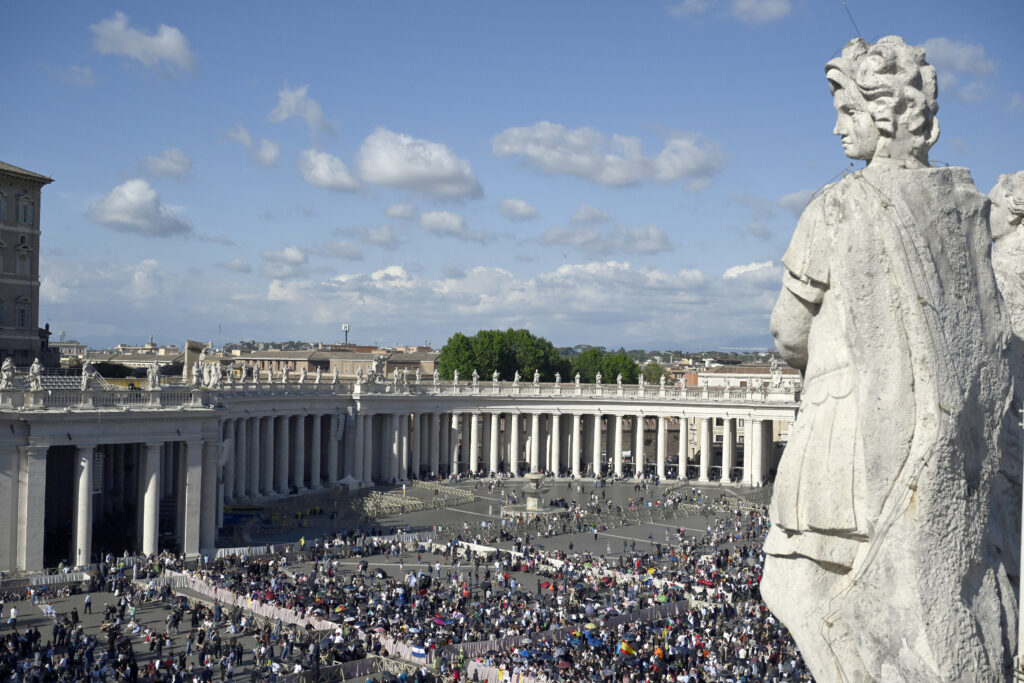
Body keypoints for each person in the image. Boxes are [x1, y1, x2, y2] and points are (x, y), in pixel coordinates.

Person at [761, 36, 1017, 680]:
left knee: (795, 587)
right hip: (953, 449)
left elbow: (787, 334)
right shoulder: (971, 209)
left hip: (848, 433)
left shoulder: (837, 206)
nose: (837, 128)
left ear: (884, 116)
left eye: (848, 112)